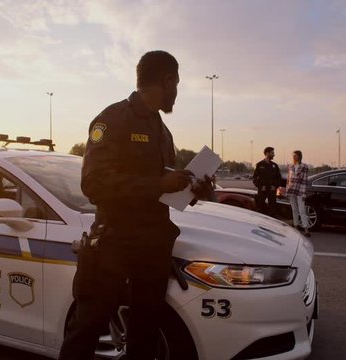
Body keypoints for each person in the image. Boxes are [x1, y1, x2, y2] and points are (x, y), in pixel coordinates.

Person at [60, 50, 200, 360]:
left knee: (145, 332)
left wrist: (190, 189)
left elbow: (163, 191)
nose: (177, 93)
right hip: (114, 244)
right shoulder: (113, 119)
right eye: (177, 84)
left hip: (153, 246)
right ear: (167, 80)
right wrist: (158, 184)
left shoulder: (163, 132)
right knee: (87, 328)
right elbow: (93, 183)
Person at [253, 147, 283, 217]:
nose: (274, 155)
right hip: (262, 190)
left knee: (272, 209)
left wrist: (275, 186)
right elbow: (254, 178)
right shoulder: (259, 165)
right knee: (260, 208)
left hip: (272, 190)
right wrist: (260, 186)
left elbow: (279, 178)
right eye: (272, 153)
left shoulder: (275, 166)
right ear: (267, 153)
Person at [286, 150, 311, 237]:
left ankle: (306, 229)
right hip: (291, 190)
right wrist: (287, 190)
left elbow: (304, 180)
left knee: (302, 210)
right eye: (293, 156)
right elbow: (288, 179)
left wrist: (304, 193)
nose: (294, 157)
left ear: (299, 156)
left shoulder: (304, 166)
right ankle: (296, 228)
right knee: (294, 209)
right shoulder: (290, 166)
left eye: (296, 156)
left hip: (300, 190)